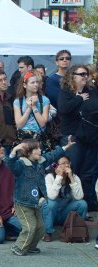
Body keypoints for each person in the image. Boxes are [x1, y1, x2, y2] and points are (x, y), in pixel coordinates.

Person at [5, 137, 74, 256]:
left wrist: (65, 147)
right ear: (28, 151)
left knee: (41, 228)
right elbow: (10, 165)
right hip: (23, 203)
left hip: (37, 202)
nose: (40, 150)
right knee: (30, 227)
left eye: (39, 148)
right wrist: (13, 151)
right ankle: (18, 247)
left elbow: (52, 155)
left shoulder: (41, 161)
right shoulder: (21, 164)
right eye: (36, 149)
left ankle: (30, 247)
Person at [58, 64, 98, 211]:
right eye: (81, 74)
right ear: (72, 76)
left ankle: (88, 204)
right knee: (72, 170)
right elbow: (63, 109)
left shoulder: (92, 91)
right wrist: (79, 99)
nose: (85, 77)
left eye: (86, 74)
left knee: (89, 172)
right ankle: (69, 205)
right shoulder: (66, 92)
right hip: (73, 137)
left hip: (91, 138)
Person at [41, 156, 87, 242]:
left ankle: (76, 230)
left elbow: (79, 197)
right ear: (56, 166)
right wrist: (59, 177)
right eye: (63, 163)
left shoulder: (74, 177)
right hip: (50, 214)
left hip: (64, 214)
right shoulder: (49, 177)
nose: (66, 165)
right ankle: (47, 232)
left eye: (67, 163)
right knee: (51, 203)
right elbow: (51, 196)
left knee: (82, 204)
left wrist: (71, 178)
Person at [13, 71, 50, 150]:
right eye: (32, 82)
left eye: (37, 82)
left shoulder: (44, 100)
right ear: (25, 85)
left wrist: (34, 107)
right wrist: (29, 108)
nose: (36, 84)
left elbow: (43, 123)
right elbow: (19, 125)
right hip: (24, 139)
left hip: (39, 137)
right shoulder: (18, 101)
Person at [0, 69, 16, 155]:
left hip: (11, 141)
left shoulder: (11, 97)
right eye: (0, 80)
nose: (4, 82)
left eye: (5, 79)